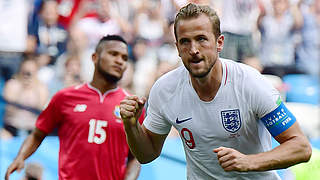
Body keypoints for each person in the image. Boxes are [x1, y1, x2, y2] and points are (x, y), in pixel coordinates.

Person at [119, 3, 312, 180]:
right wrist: (131, 125)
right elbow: (147, 155)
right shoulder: (164, 89)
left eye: (201, 39)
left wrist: (248, 162)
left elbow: (301, 147)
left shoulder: (250, 83)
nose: (193, 49)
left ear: (219, 43)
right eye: (185, 42)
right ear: (177, 47)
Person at [5, 35, 143, 180]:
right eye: (113, 54)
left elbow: (136, 157)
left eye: (124, 58)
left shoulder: (131, 105)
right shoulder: (65, 97)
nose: (119, 61)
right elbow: (38, 134)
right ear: (95, 57)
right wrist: (20, 157)